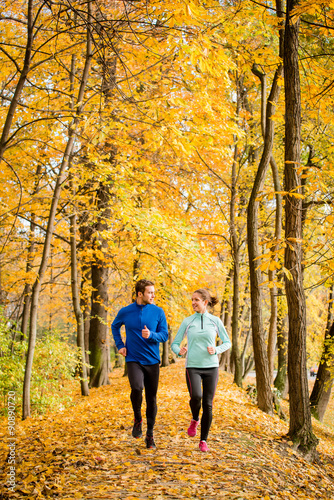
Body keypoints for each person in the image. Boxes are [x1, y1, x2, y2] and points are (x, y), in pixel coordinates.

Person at [171, 288, 231, 452]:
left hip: (211, 367)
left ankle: (203, 440)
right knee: (196, 397)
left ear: (205, 302)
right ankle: (195, 418)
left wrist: (216, 350)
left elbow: (227, 342)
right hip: (192, 366)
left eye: (196, 300)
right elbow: (174, 343)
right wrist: (179, 351)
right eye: (192, 300)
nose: (193, 303)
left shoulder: (215, 321)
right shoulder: (188, 321)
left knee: (208, 404)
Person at [111, 279, 168, 449]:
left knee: (151, 398)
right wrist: (120, 345)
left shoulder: (158, 312)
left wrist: (151, 335)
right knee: (136, 388)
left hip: (152, 361)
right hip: (133, 359)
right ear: (140, 294)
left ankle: (150, 434)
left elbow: (164, 335)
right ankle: (137, 419)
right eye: (150, 292)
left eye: (153, 292)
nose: (153, 295)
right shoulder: (126, 311)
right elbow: (115, 327)